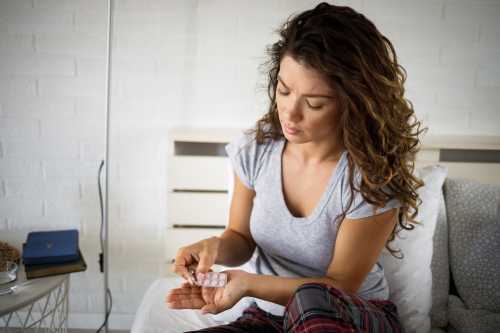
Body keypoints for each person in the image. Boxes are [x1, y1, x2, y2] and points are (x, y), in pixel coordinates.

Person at [166, 2, 424, 332]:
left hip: (351, 314)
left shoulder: (371, 178)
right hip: (270, 315)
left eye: (315, 103)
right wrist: (214, 247)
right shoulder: (256, 150)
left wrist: (249, 284)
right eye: (284, 91)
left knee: (310, 299)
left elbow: (341, 285)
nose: (290, 112)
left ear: (354, 103)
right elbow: (241, 237)